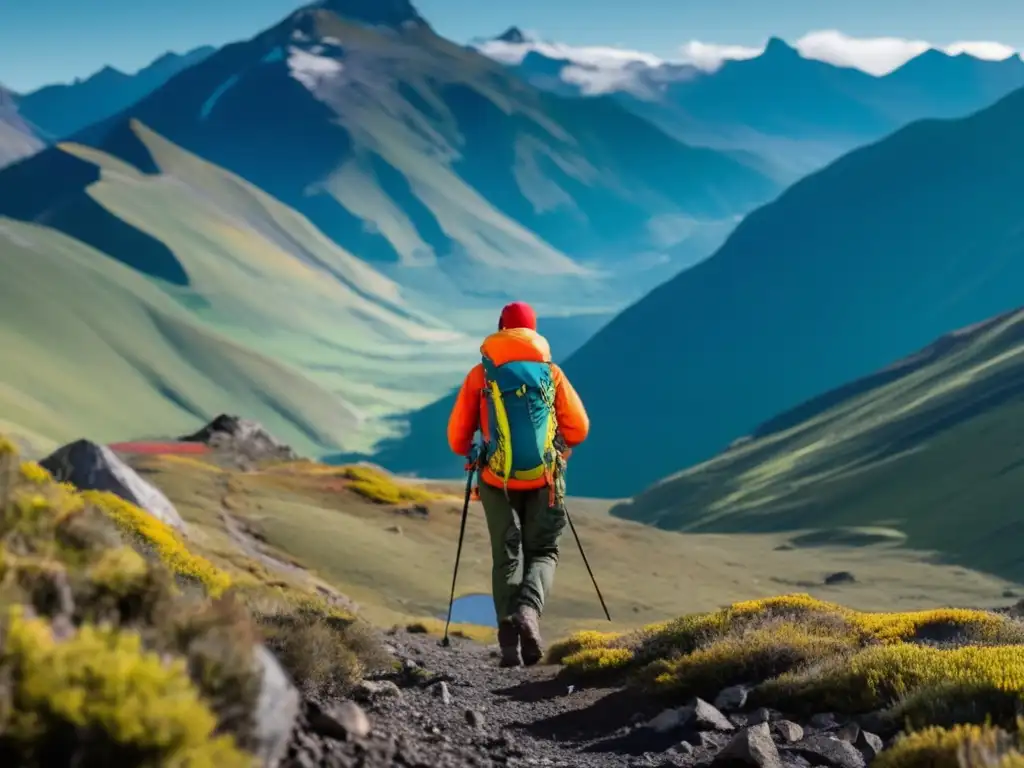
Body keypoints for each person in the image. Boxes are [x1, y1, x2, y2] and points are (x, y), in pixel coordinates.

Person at [446, 301, 590, 667]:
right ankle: (529, 610)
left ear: (501, 328)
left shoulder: (480, 375)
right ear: (533, 332)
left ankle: (509, 641)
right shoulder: (550, 373)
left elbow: (456, 438)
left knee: (506, 555)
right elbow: (579, 428)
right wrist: (558, 445)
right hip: (544, 478)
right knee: (543, 552)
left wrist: (474, 447)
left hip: (496, 480)